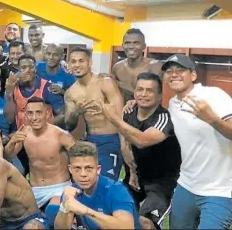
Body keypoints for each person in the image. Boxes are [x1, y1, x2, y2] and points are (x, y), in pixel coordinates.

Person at [99, 72, 181, 229]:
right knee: (113, 214)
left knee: (145, 223)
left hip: (161, 183)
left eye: (149, 91)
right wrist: (132, 172)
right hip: (134, 178)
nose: (143, 94)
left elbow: (142, 141)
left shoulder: (164, 118)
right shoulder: (129, 111)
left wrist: (114, 118)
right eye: (140, 89)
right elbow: (125, 144)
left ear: (159, 96)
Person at [161, 54, 232, 229]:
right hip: (186, 185)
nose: (174, 74)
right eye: (169, 71)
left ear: (193, 75)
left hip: (220, 190)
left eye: (180, 70)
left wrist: (211, 119)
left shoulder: (213, 95)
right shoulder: (172, 103)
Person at [63, 47, 126, 180]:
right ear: (69, 65)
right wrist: (76, 112)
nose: (77, 65)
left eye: (81, 61)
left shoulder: (105, 82)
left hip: (111, 139)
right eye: (73, 61)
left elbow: (121, 116)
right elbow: (69, 125)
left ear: (90, 63)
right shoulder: (71, 92)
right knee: (87, 181)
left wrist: (124, 146)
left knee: (106, 182)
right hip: (90, 140)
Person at [4, 97, 75, 210]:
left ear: (47, 114)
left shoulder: (60, 135)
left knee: (53, 211)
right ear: (25, 115)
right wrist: (12, 142)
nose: (34, 118)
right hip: (35, 189)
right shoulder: (24, 132)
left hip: (59, 188)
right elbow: (8, 156)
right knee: (10, 212)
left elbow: (79, 157)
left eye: (38, 113)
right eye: (30, 113)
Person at [52, 141, 140, 229]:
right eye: (77, 168)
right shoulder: (71, 192)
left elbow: (127, 227)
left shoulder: (116, 191)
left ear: (98, 169)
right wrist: (64, 206)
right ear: (70, 169)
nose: (83, 174)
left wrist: (86, 211)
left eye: (88, 168)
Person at [4, 55, 63, 129]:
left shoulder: (47, 87)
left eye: (31, 67)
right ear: (18, 70)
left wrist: (44, 128)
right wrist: (9, 93)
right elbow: (9, 119)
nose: (28, 70)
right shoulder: (13, 87)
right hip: (23, 135)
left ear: (35, 69)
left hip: (44, 135)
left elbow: (61, 116)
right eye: (23, 67)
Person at [111, 28, 163, 103]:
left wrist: (118, 84)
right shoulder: (117, 67)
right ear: (123, 45)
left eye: (136, 43)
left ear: (144, 46)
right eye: (127, 43)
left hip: (149, 111)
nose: (131, 46)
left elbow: (154, 95)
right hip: (125, 111)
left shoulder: (155, 66)